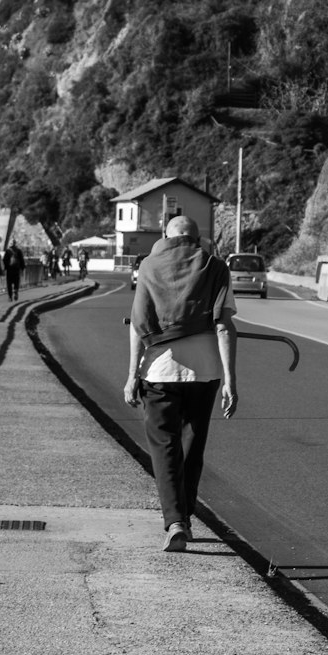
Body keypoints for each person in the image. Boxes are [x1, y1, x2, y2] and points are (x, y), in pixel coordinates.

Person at [124, 215, 237, 552]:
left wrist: (132, 375)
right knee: (192, 445)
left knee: (164, 447)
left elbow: (139, 324)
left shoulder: (148, 266)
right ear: (198, 237)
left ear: (166, 236)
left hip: (159, 369)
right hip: (204, 370)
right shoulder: (216, 267)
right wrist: (231, 381)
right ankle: (184, 515)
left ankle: (176, 521)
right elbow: (223, 326)